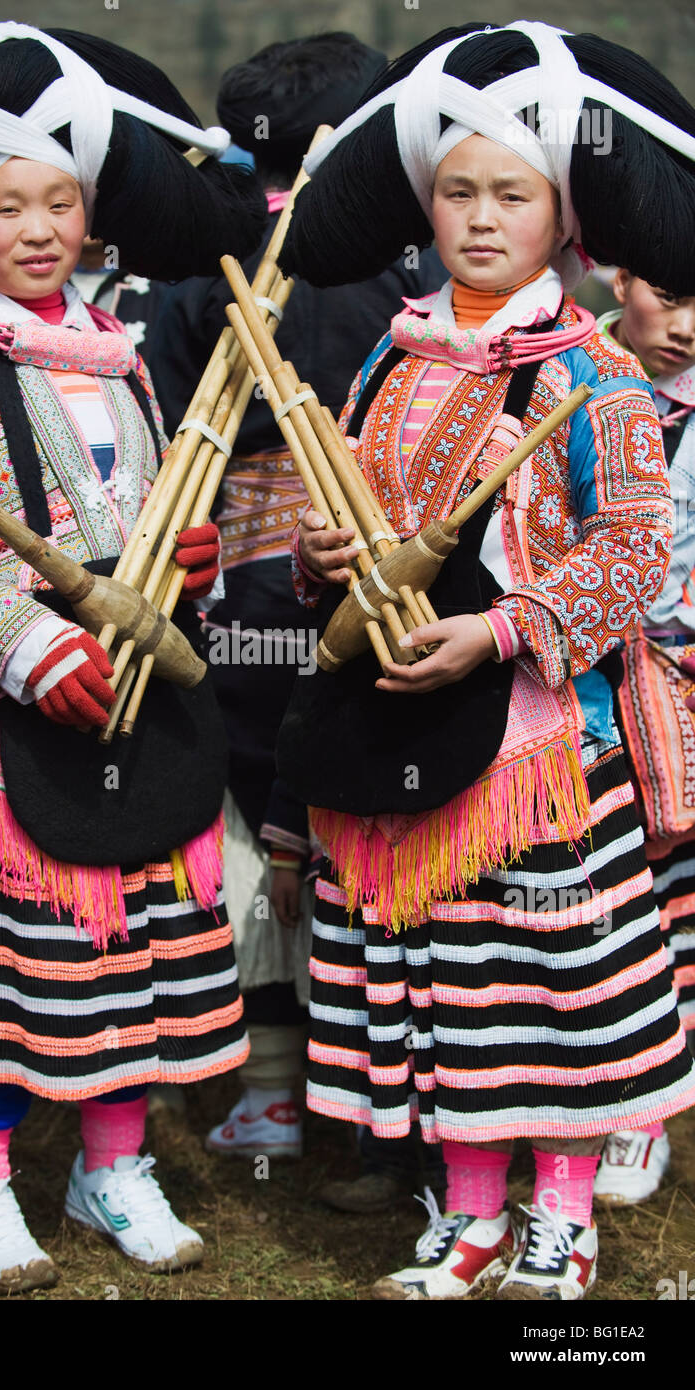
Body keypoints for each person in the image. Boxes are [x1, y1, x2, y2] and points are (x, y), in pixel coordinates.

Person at [0, 21, 266, 1290]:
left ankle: (112, 1165)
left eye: (59, 203)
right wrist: (29, 645)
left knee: (141, 959)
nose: (36, 227)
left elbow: (165, 512)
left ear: (90, 218)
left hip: (142, 710)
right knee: (18, 968)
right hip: (8, 724)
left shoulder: (124, 363)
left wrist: (193, 564)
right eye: (5, 205)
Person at [277, 20, 695, 1300]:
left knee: (551, 1000)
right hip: (401, 734)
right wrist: (321, 561)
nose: (478, 216)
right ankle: (465, 1217)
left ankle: (560, 1224)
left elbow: (635, 557)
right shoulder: (390, 356)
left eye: (510, 194)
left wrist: (503, 628)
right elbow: (336, 507)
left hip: (542, 754)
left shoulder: (597, 374)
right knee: (448, 995)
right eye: (456, 191)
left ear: (564, 217)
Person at [149, 32, 446, 1171]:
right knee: (358, 818)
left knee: (258, 822)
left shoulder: (199, 266)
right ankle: (371, 1090)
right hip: (376, 581)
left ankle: (275, 1087)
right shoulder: (411, 265)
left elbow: (168, 415)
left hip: (231, 577)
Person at [591, 275, 695, 1204]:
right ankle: (613, 1100)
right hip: (579, 679)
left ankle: (645, 1107)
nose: (689, 326)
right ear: (621, 279)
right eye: (670, 295)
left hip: (684, 683)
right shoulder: (571, 373)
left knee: (676, 894)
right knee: (607, 896)